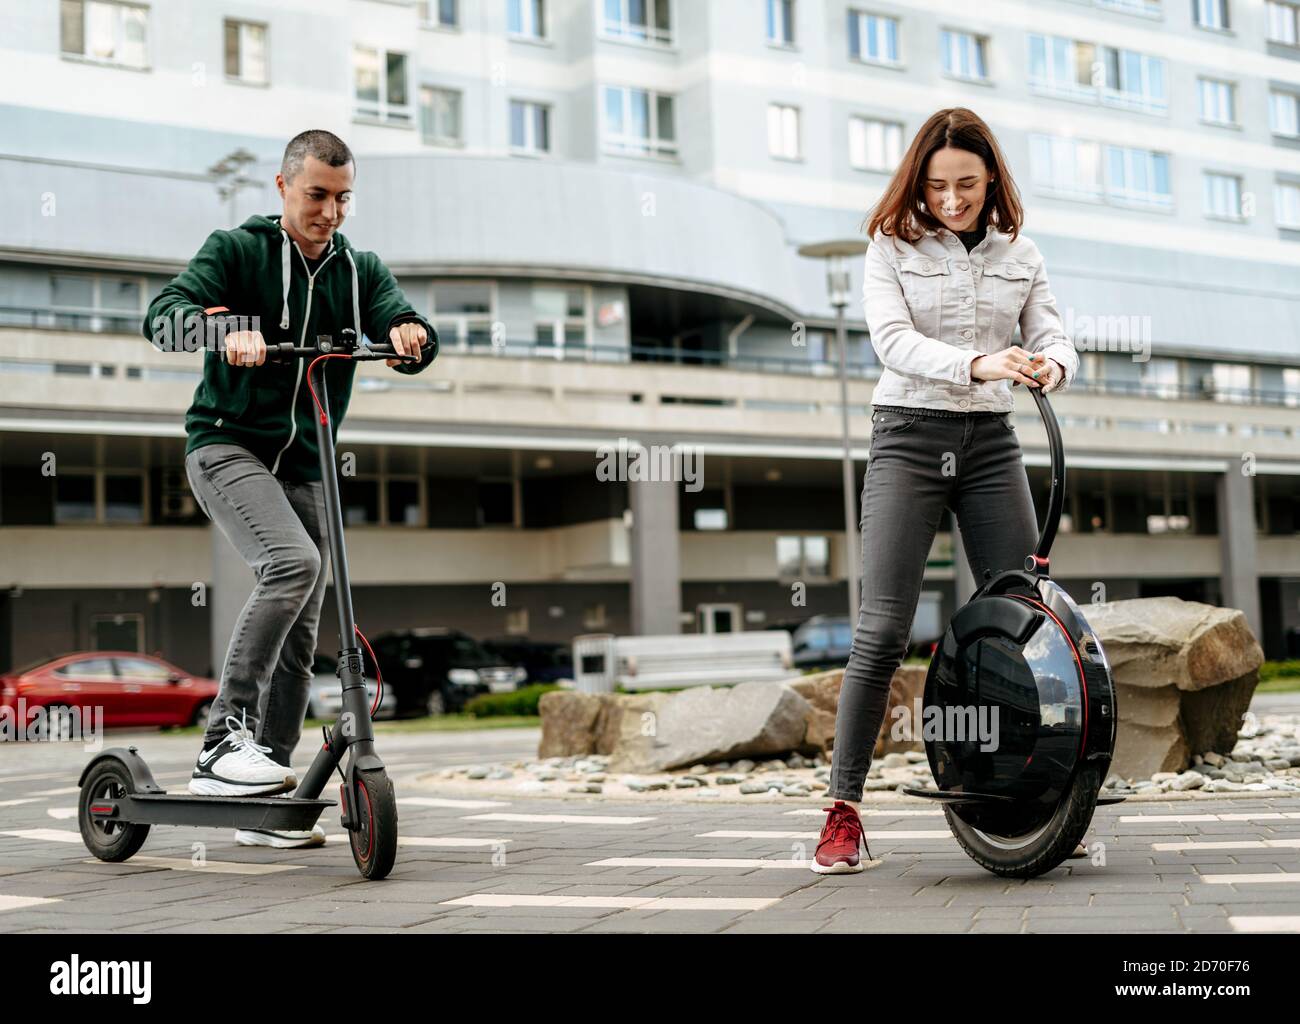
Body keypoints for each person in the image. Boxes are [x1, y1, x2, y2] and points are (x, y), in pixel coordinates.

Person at [142, 130, 437, 849]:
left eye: (342, 198)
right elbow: (162, 317)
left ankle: (267, 782)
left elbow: (409, 319)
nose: (331, 211)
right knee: (294, 566)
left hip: (305, 462)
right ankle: (222, 745)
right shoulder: (237, 251)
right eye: (317, 195)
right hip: (226, 444)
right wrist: (224, 331)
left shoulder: (357, 269)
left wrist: (409, 336)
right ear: (283, 188)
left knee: (306, 617)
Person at [812, 108, 1084, 874]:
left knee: (1029, 618)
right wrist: (981, 363)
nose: (953, 200)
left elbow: (1054, 332)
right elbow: (891, 340)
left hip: (992, 443)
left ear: (990, 176)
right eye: (937, 186)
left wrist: (1049, 365)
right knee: (883, 628)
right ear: (917, 182)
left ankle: (1032, 793)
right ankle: (843, 811)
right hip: (908, 433)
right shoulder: (890, 245)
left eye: (967, 183)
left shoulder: (1020, 253)